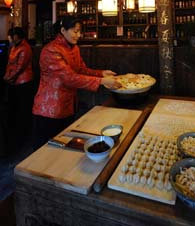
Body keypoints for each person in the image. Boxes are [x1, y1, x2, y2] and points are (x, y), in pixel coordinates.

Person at [32, 16, 121, 150]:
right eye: (75, 31)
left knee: (65, 147)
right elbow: (69, 78)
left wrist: (101, 73)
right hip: (50, 110)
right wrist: (102, 81)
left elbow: (81, 70)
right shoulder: (51, 50)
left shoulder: (74, 48)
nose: (78, 35)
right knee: (46, 150)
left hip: (69, 105)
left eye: (79, 31)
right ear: (63, 30)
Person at [4, 26, 34, 153]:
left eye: (11, 36)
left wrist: (8, 78)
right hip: (14, 81)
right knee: (15, 108)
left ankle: (24, 134)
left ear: (17, 36)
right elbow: (10, 64)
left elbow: (19, 67)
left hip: (24, 82)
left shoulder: (25, 48)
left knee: (23, 108)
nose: (9, 38)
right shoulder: (14, 47)